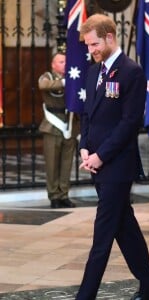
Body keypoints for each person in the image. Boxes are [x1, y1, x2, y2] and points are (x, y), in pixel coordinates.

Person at [76, 14, 149, 300]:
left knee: (102, 235)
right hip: (97, 163)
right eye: (88, 46)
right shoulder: (92, 72)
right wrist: (85, 147)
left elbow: (129, 123)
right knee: (125, 229)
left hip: (117, 165)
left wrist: (101, 155)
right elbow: (88, 115)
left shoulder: (131, 72)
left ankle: (84, 295)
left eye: (95, 44)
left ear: (110, 37)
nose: (92, 50)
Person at [38, 52, 78, 209]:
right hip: (52, 125)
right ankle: (54, 195)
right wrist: (63, 82)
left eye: (66, 61)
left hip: (69, 124)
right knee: (52, 164)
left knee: (66, 163)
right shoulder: (47, 76)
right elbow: (43, 85)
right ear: (53, 65)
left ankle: (64, 194)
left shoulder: (74, 77)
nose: (64, 64)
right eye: (61, 62)